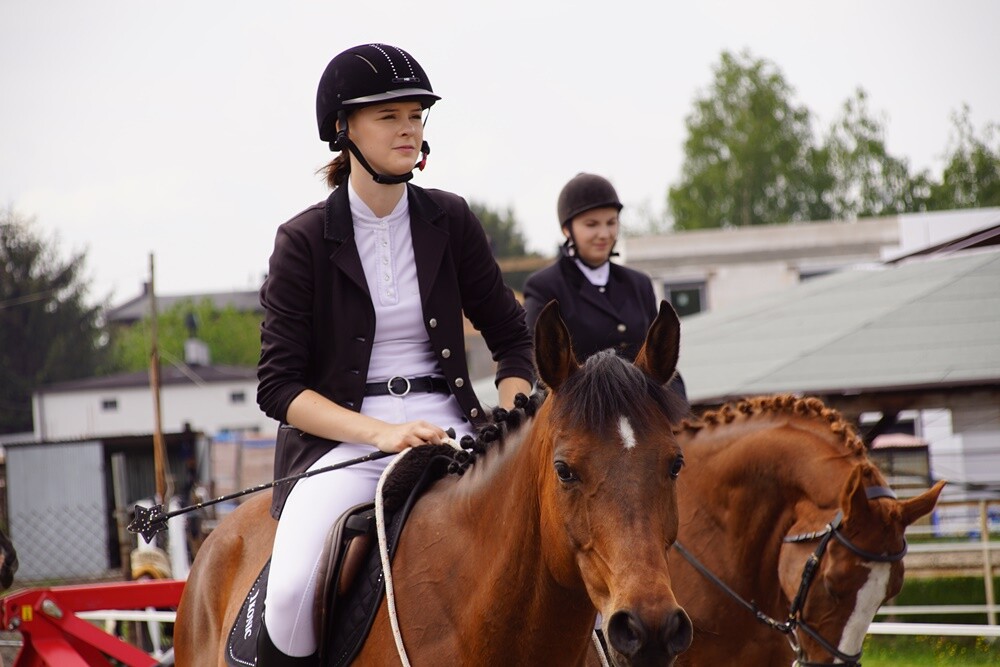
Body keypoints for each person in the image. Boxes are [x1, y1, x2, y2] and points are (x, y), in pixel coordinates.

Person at [255, 43, 534, 665]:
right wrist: (381, 435)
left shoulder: (452, 220)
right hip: (347, 446)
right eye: (389, 116)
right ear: (342, 129)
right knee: (293, 593)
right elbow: (279, 389)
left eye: (416, 115)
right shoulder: (301, 240)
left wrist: (514, 420)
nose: (408, 128)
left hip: (457, 431)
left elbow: (513, 340)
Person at [523, 172, 687, 398]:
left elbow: (656, 356)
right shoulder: (545, 286)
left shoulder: (639, 283)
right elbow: (540, 369)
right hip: (585, 412)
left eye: (611, 223)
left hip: (643, 409)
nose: (604, 234)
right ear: (567, 229)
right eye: (592, 225)